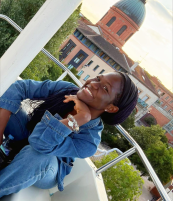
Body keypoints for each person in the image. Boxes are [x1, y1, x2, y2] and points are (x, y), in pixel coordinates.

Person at [0, 71, 138, 198]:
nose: (93, 84)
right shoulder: (65, 90)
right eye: (98, 78)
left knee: (36, 157)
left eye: (105, 88)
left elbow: (39, 144)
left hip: (47, 167)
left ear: (111, 108)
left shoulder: (89, 142)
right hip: (27, 135)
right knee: (6, 104)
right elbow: (21, 87)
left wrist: (80, 118)